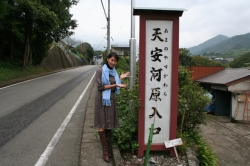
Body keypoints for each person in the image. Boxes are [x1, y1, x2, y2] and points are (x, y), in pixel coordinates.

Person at [94, 52, 130, 163]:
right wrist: (115, 85)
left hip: (111, 99)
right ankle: (105, 152)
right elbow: (100, 87)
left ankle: (109, 150)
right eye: (112, 60)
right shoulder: (100, 71)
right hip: (102, 99)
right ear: (107, 59)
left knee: (109, 124)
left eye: (115, 61)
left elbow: (117, 83)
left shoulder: (114, 72)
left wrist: (120, 78)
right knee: (102, 124)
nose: (113, 63)